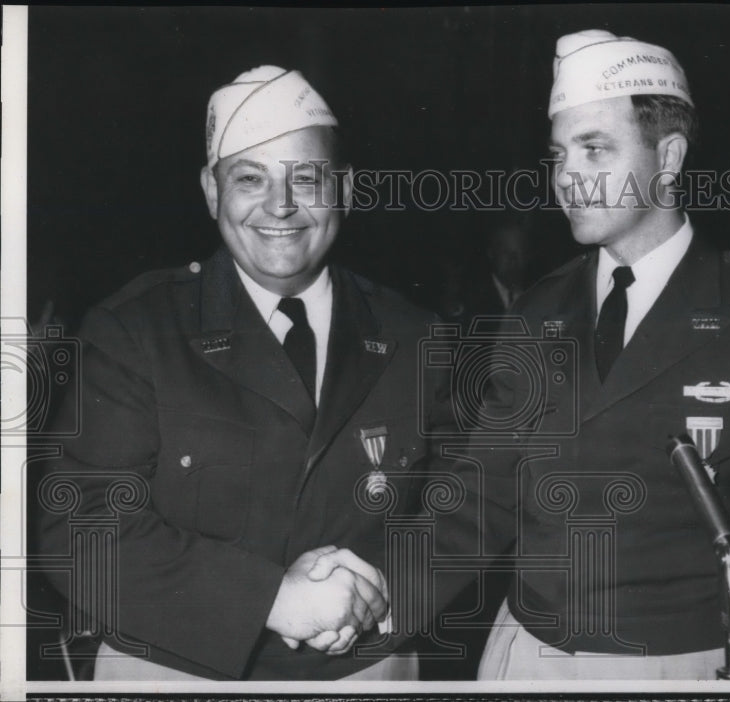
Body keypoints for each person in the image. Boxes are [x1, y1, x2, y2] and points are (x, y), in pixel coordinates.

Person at [456, 30, 730, 680]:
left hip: (680, 663)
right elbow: (482, 494)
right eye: (558, 155)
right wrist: (382, 592)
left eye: (595, 150)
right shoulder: (535, 312)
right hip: (524, 653)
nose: (567, 179)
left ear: (667, 157)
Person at [36, 66, 434, 681]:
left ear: (346, 189)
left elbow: (467, 502)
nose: (281, 205)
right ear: (211, 191)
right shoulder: (135, 331)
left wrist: (379, 593)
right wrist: (272, 600)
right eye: (249, 178)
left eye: (307, 177)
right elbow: (78, 529)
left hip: (365, 669)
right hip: (177, 671)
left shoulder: (415, 335)